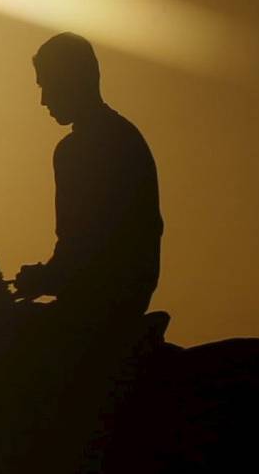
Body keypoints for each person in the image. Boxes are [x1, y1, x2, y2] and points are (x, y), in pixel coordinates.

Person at [12, 33, 162, 327]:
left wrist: (45, 278)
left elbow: (83, 244)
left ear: (72, 81)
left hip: (99, 303)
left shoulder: (77, 149)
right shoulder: (125, 135)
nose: (43, 100)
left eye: (47, 86)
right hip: (129, 295)